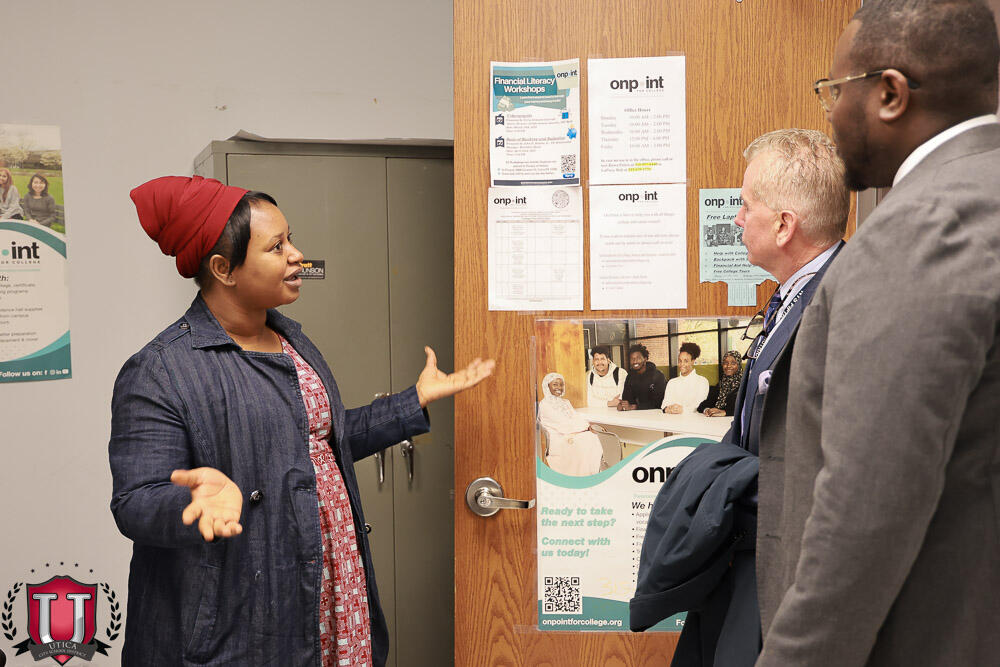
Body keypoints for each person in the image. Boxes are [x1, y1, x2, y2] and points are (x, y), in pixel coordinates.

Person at [109, 175, 494, 666]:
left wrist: (412, 402)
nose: (297, 255)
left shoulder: (290, 339)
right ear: (223, 268)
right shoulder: (161, 369)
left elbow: (317, 444)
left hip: (327, 580)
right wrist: (193, 502)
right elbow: (134, 501)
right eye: (277, 247)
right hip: (241, 617)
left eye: (290, 239)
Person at [756, 2, 1000, 665]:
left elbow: (865, 510)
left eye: (835, 91)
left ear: (890, 93)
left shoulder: (923, 229)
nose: (831, 113)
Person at [642, 128, 848, 667]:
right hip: (751, 554)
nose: (736, 218)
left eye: (746, 204)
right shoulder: (793, 295)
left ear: (784, 225)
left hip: (790, 566)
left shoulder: (846, 303)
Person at [538, 372, 604, 476]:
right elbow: (561, 423)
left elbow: (575, 417)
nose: (559, 387)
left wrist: (588, 427)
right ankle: (578, 476)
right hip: (557, 436)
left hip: (571, 431)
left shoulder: (566, 402)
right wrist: (585, 427)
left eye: (561, 384)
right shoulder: (544, 404)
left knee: (592, 437)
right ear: (547, 386)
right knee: (582, 441)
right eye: (555, 384)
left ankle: (590, 474)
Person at [661, 341, 709, 414]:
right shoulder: (672, 382)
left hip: (694, 419)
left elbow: (700, 405)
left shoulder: (702, 381)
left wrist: (683, 410)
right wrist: (668, 409)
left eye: (686, 361)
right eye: (680, 361)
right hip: (671, 419)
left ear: (693, 361)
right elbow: (664, 405)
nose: (682, 364)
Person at [618, 343, 666, 411]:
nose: (635, 361)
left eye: (638, 358)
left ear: (645, 359)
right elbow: (626, 398)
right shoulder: (630, 376)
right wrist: (622, 405)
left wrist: (635, 407)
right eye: (632, 359)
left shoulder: (658, 376)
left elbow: (659, 403)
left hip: (654, 414)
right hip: (634, 415)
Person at [697, 350, 742, 417]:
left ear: (739, 365)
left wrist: (725, 412)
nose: (728, 366)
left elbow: (746, 408)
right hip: (717, 421)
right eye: (726, 363)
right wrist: (707, 410)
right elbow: (702, 405)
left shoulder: (745, 386)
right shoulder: (720, 385)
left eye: (733, 363)